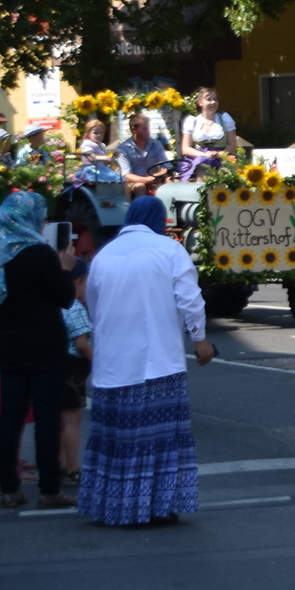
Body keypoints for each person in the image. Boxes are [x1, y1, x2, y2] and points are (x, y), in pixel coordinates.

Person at [79, 196, 213, 525]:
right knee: (160, 440)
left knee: (117, 440)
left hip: (112, 368)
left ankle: (113, 506)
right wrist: (200, 340)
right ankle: (158, 505)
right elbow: (190, 299)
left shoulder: (104, 255)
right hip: (158, 365)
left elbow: (94, 310)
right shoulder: (169, 250)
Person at [0, 192, 77, 510]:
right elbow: (64, 298)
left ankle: (9, 488)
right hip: (45, 342)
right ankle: (50, 489)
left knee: (10, 415)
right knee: (48, 416)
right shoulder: (41, 253)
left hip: (10, 340)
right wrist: (65, 268)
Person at [61, 259, 93, 484]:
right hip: (72, 369)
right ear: (79, 281)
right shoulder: (75, 307)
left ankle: (57, 465)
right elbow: (81, 343)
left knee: (54, 420)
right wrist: (98, 361)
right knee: (72, 420)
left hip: (51, 364)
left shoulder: (53, 303)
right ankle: (73, 467)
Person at [176, 87, 237, 179]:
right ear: (200, 102)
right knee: (203, 161)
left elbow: (233, 146)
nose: (213, 102)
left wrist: (220, 153)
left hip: (222, 157)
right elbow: (185, 149)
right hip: (198, 157)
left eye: (215, 99)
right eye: (209, 99)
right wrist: (204, 154)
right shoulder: (191, 121)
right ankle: (201, 190)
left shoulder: (225, 119)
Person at [114, 111, 169, 197]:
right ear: (134, 129)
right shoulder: (123, 149)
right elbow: (127, 175)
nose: (148, 132)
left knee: (172, 182)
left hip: (153, 180)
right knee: (140, 186)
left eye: (148, 128)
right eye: (144, 129)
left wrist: (156, 176)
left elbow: (166, 167)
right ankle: (143, 209)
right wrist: (147, 179)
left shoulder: (156, 144)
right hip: (131, 184)